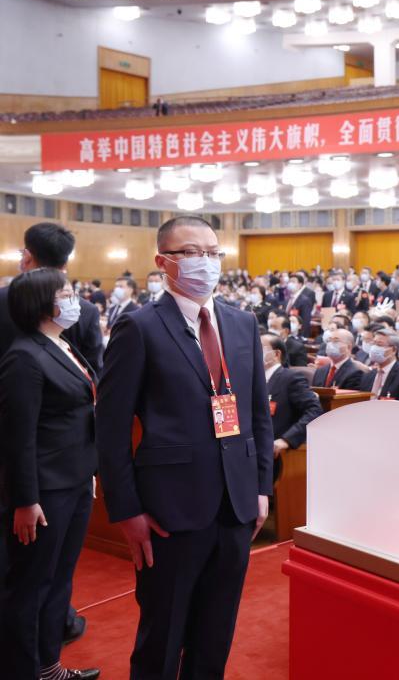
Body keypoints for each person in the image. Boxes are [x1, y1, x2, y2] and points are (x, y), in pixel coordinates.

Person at [96, 216, 274, 679]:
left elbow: (257, 412)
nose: (206, 262)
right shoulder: (139, 327)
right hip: (168, 511)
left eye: (213, 253)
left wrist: (261, 489)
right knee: (163, 635)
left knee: (215, 635)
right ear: (163, 262)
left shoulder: (242, 323)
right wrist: (126, 509)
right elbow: (110, 428)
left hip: (236, 505)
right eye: (192, 253)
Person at [0, 222, 98, 645]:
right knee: (30, 576)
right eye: (67, 295)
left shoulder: (63, 341)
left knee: (54, 571)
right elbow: (21, 431)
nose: (76, 302)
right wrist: (25, 496)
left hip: (69, 469)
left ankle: (48, 658)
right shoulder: (25, 353)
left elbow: (89, 391)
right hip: (37, 471)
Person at [262, 333, 323, 480]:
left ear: (276, 354)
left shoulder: (291, 378)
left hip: (277, 453)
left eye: (260, 347)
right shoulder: (254, 379)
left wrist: (287, 440)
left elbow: (315, 410)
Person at [359, 329, 399, 402]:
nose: (374, 348)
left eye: (379, 345)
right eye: (373, 344)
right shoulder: (369, 374)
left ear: (394, 350)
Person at [283, 273, 316, 337]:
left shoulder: (305, 300)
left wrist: (302, 336)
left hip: (298, 334)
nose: (290, 284)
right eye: (289, 282)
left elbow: (306, 321)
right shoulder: (287, 299)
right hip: (287, 332)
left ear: (300, 285)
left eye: (293, 282)